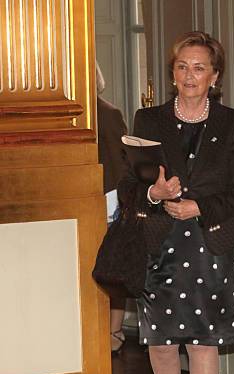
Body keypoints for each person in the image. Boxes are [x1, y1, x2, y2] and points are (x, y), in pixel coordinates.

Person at [118, 31, 234, 374]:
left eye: (199, 67)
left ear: (215, 76)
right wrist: (155, 194)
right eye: (182, 66)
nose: (189, 75)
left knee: (202, 341)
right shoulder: (148, 119)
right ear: (173, 73)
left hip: (210, 242)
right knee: (158, 342)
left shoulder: (232, 122)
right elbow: (129, 189)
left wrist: (200, 205)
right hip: (160, 245)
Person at [95, 62, 129, 354]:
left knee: (113, 267)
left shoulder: (107, 113)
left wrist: (122, 207)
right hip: (85, 200)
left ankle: (114, 331)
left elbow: (122, 166)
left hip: (110, 200)